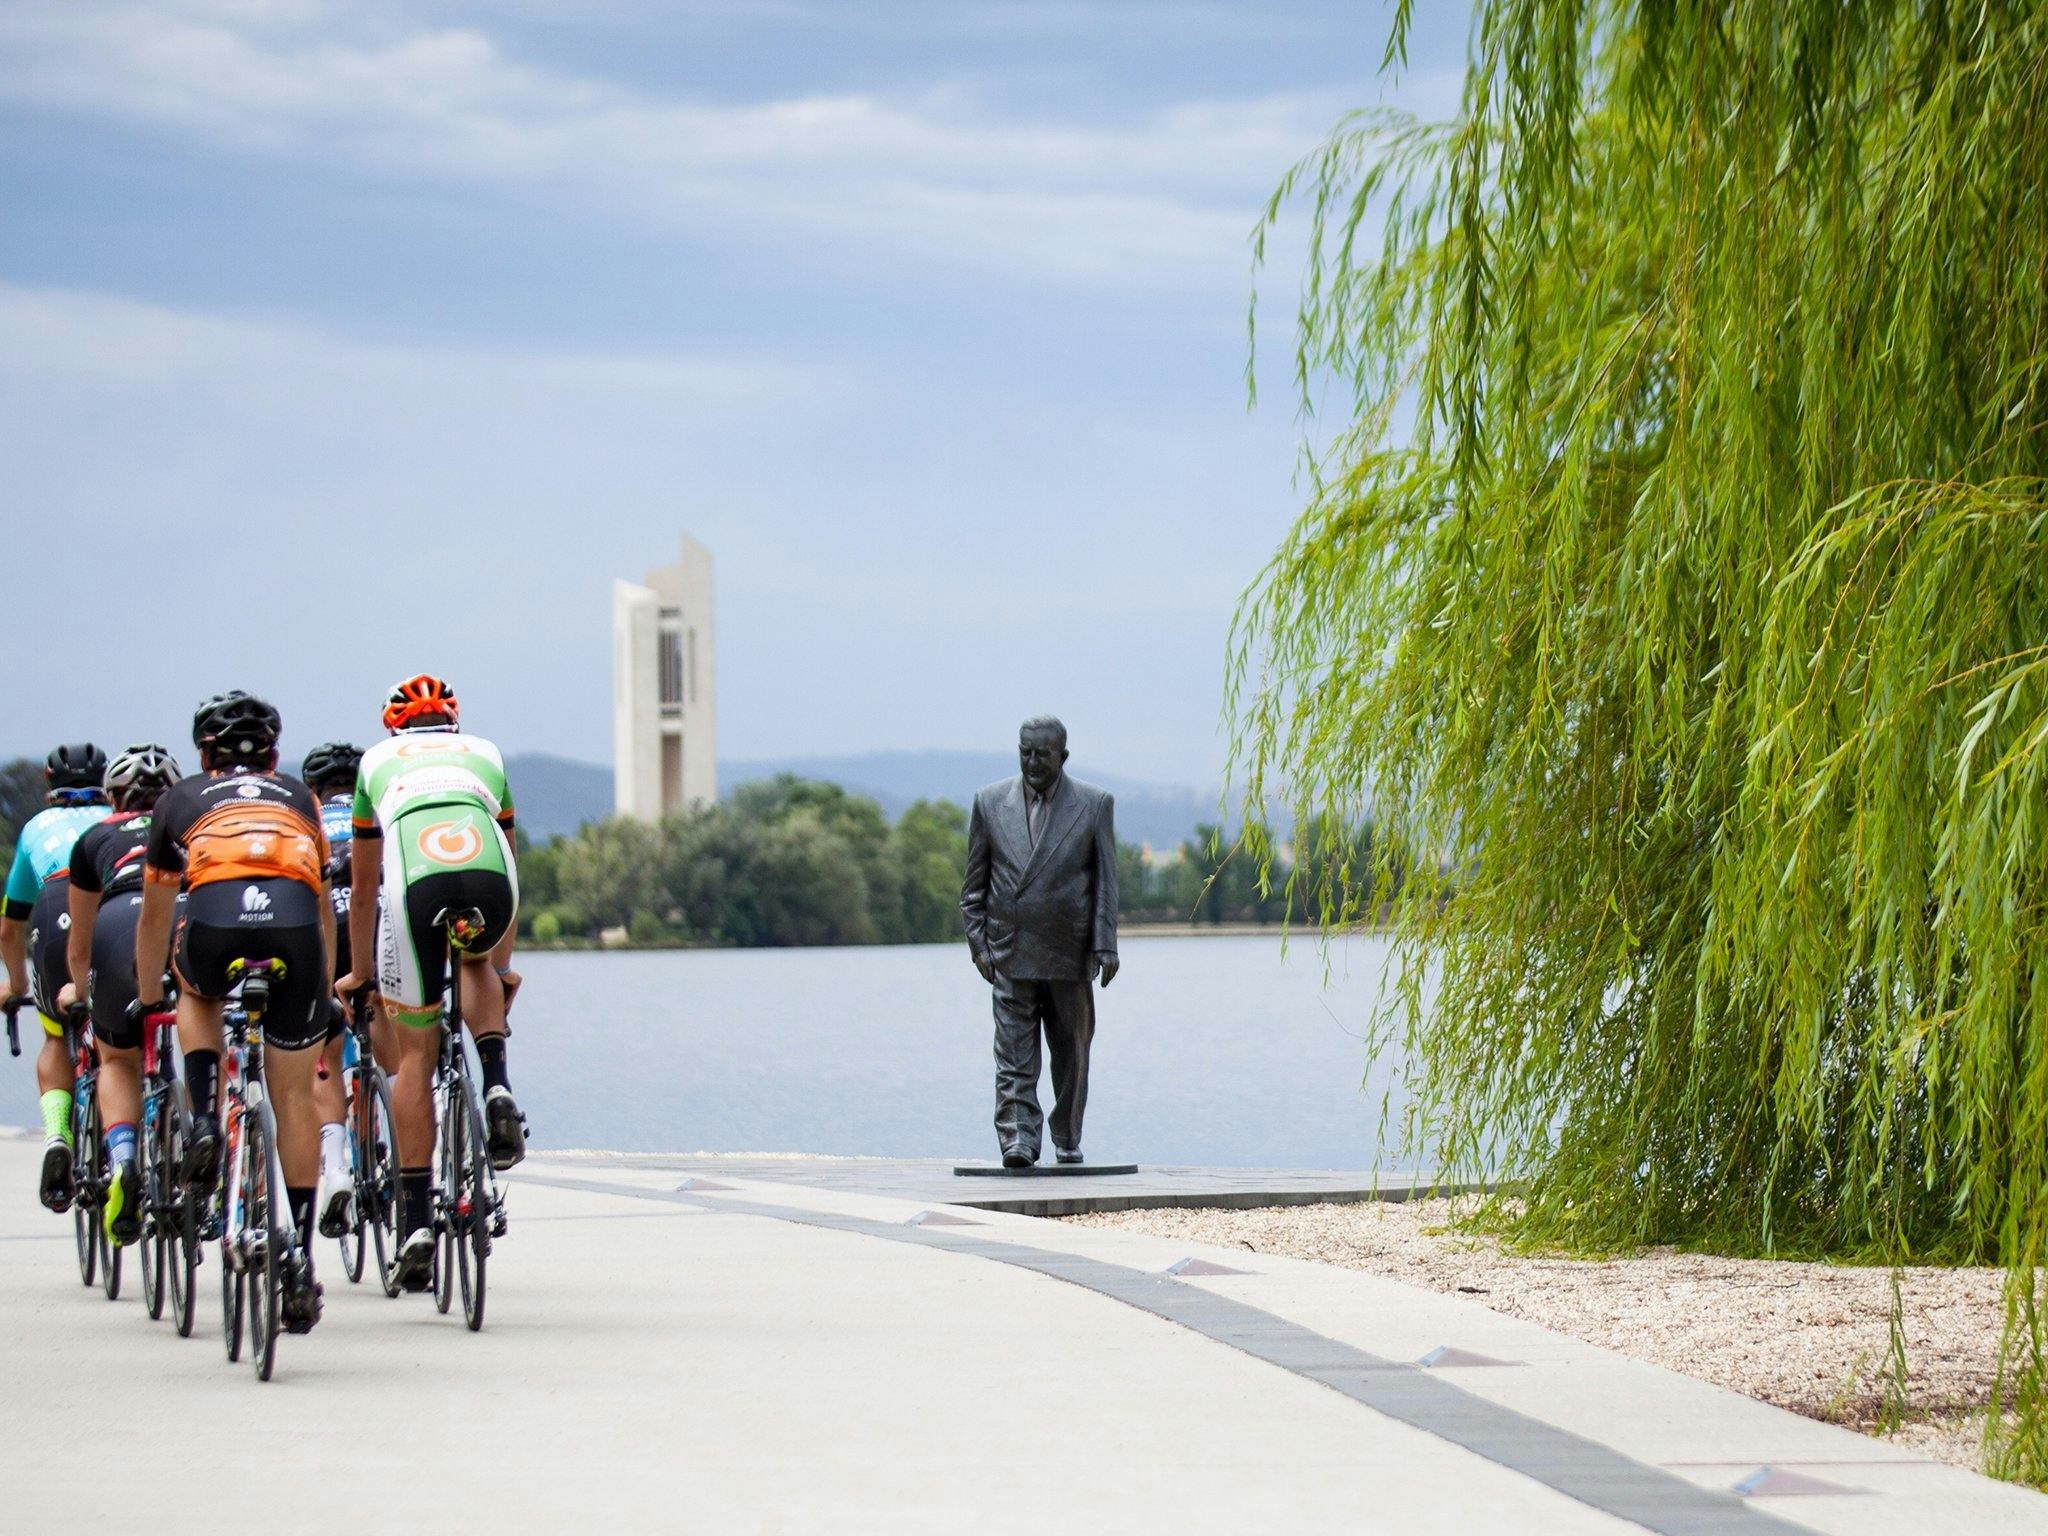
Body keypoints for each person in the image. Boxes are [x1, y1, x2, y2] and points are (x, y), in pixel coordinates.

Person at [133, 691, 334, 1333]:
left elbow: (155, 917)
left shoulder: (177, 800)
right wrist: (323, 991)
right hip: (296, 930)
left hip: (215, 924)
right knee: (296, 1097)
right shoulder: (301, 798)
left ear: (202, 754)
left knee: (196, 992)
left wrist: (147, 993)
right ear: (275, 754)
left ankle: (201, 1118)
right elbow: (325, 908)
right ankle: (299, 1254)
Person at [334, 673, 525, 1293]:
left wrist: (360, 976)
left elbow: (364, 889)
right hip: (490, 881)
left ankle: (415, 1220)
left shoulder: (374, 764)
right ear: (453, 725)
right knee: (472, 963)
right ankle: (496, 1083)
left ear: (394, 728)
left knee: (414, 1058)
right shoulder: (487, 754)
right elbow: (508, 855)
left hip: (415, 887)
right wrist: (499, 969)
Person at [960, 715, 1119, 1168]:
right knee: (1012, 1054)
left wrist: (1105, 943)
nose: (1032, 762)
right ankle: (1018, 1139)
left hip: (1069, 953)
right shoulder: (989, 803)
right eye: (1024, 752)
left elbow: (1107, 881)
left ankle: (1067, 1134)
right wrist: (979, 946)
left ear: (1062, 756)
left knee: (1072, 1052)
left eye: (1042, 754)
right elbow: (973, 887)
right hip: (1009, 951)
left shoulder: (1093, 804)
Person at [56, 744, 181, 1245]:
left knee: (117, 1061)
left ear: (113, 797)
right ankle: (202, 1143)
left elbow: (80, 941)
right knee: (203, 1030)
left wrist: (80, 989)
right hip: (180, 917)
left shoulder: (94, 838)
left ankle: (125, 1159)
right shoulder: (187, 827)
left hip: (115, 924)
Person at [1, 744, 111, 1210]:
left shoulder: (34, 828)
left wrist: (17, 987)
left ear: (50, 783)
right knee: (116, 1041)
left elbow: (9, 927)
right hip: (115, 910)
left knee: (54, 1035)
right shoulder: (117, 818)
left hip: (53, 912)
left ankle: (56, 1134)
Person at [302, 740, 364, 1239]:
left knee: (326, 1055)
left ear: (313, 789)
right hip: (376, 923)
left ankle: (337, 1164)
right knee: (397, 1051)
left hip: (326, 930)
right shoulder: (375, 812)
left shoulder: (307, 821)